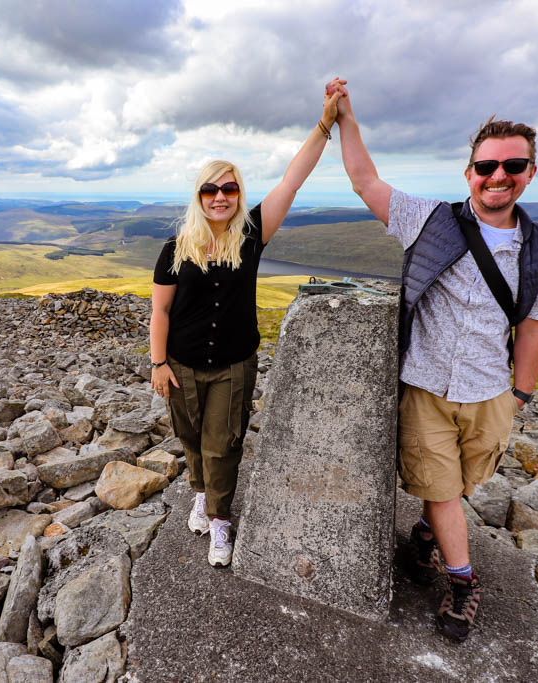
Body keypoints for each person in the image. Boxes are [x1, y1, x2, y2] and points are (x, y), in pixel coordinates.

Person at [326, 77, 538, 641]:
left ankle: (425, 537)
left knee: (458, 486)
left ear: (530, 172)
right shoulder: (431, 219)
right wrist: (345, 119)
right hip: (427, 388)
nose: (498, 176)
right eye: (486, 166)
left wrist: (520, 397)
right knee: (440, 489)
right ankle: (462, 584)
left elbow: (534, 329)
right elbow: (366, 181)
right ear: (469, 174)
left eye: (513, 165)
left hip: (490, 392)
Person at [150, 89, 343, 568]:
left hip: (234, 365)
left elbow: (291, 181)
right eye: (211, 190)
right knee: (192, 441)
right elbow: (160, 313)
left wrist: (325, 124)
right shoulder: (176, 249)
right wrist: (157, 363)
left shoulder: (252, 235)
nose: (220, 197)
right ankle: (201, 494)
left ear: (239, 195)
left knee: (224, 444)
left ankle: (220, 520)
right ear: (199, 196)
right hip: (181, 365)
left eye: (229, 189)